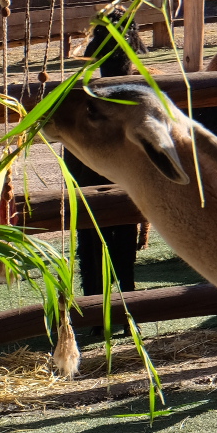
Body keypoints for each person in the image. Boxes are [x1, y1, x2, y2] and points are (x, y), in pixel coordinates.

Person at [64, 24, 142, 309]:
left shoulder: (128, 99)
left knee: (103, 230)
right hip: (98, 168)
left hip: (108, 170)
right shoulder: (88, 101)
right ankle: (116, 302)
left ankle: (105, 303)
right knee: (114, 228)